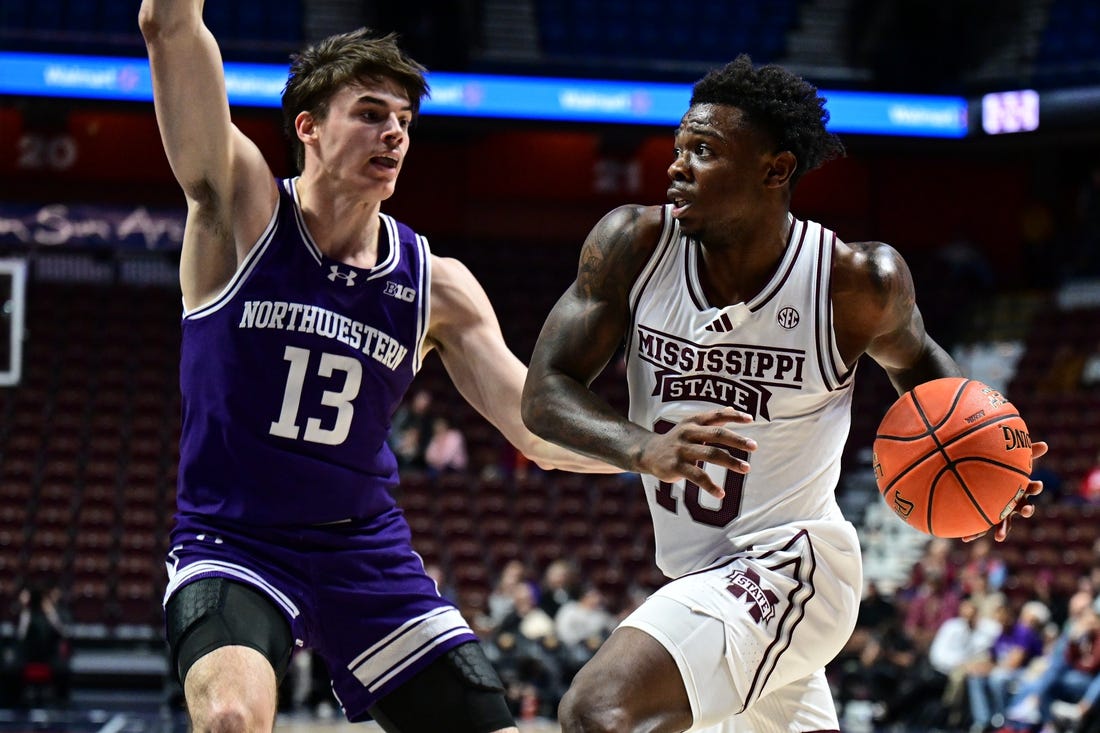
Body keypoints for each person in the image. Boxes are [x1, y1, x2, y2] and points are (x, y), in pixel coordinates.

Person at [520, 54, 1047, 732]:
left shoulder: (852, 282)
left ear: (776, 169)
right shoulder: (635, 244)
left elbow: (929, 380)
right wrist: (642, 448)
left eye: (704, 151)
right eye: (680, 147)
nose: (677, 165)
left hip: (792, 564)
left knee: (599, 709)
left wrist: (991, 472)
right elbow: (545, 391)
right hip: (702, 574)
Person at [138, 5, 617, 731]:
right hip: (236, 540)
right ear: (308, 126)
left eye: (403, 119)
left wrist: (652, 450)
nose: (393, 132)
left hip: (363, 551)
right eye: (368, 113)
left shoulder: (439, 283)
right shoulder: (241, 207)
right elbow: (168, 26)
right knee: (232, 717)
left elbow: (537, 427)